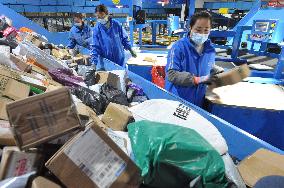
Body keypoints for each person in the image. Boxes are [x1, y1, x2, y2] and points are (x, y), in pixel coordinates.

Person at [165, 11, 223, 107]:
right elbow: (171, 74)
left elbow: (207, 65)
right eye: (198, 30)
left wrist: (215, 70)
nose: (202, 33)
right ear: (190, 28)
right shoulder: (178, 47)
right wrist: (197, 80)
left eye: (206, 30)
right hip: (177, 101)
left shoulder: (210, 50)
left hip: (198, 101)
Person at [90, 4, 137, 69]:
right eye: (98, 16)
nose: (100, 18)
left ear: (107, 14)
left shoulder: (116, 24)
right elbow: (95, 47)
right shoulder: (96, 29)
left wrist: (130, 49)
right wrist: (93, 64)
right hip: (107, 61)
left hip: (120, 58)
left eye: (102, 15)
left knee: (121, 75)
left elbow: (124, 38)